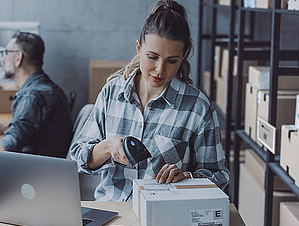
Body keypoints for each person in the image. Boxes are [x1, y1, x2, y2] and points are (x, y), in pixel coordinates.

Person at [70, 0, 230, 202]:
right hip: (113, 213)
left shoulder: (196, 108)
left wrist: (188, 177)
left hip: (164, 218)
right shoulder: (112, 93)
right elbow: (77, 159)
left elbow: (219, 177)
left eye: (172, 61)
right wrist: (108, 146)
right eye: (152, 57)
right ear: (138, 48)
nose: (160, 70)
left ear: (183, 57)